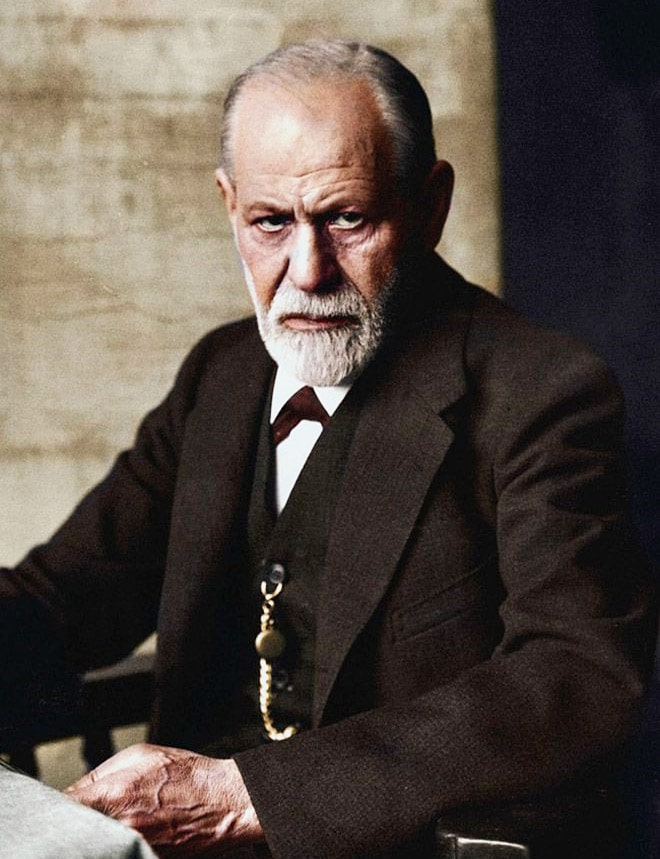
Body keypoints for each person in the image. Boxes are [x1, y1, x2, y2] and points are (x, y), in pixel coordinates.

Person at [0, 39, 656, 858]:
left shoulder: (542, 392)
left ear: (432, 205)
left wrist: (248, 795)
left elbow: (577, 674)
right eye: (270, 222)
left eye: (348, 219)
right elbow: (61, 601)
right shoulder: (221, 375)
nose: (307, 272)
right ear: (229, 204)